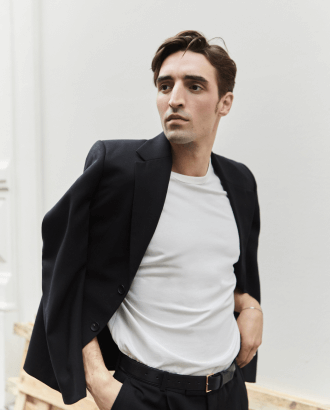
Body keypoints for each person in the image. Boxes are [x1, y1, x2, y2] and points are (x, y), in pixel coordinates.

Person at [23, 30, 263, 410]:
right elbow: (66, 274)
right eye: (165, 86)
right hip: (147, 396)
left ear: (225, 102)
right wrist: (99, 381)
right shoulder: (118, 170)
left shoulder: (239, 182)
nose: (175, 99)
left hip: (227, 393)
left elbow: (212, 274)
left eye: (194, 86)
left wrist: (250, 306)